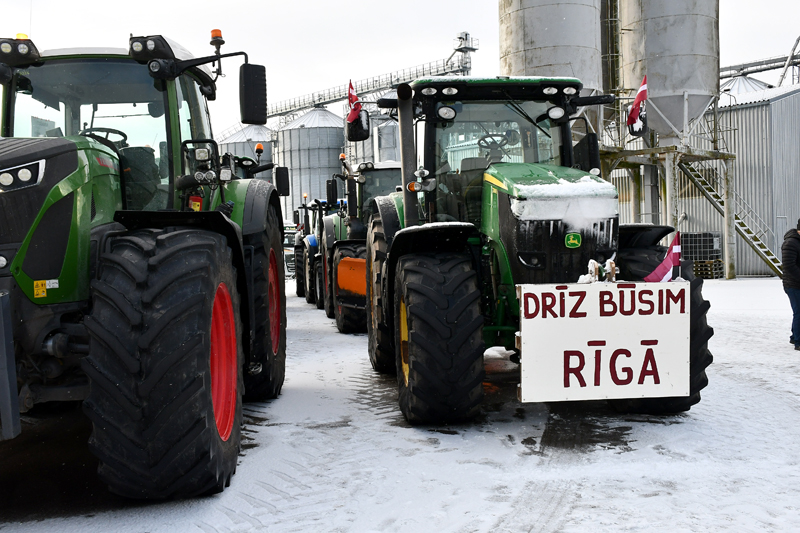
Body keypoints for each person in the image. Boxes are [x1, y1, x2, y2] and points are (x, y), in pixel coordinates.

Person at [781, 219, 800, 351]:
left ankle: (794, 337)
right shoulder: (791, 243)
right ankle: (798, 341)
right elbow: (789, 265)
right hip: (793, 284)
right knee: (799, 312)